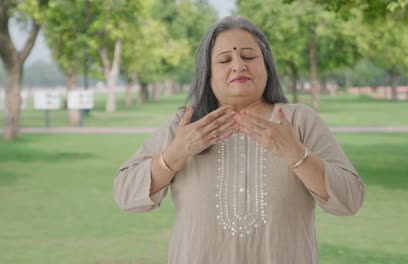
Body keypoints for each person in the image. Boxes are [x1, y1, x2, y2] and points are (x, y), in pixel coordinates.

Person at [113, 16, 365, 264]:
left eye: (248, 56)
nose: (238, 65)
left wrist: (296, 154)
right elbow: (126, 196)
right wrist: (175, 154)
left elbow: (349, 201)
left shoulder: (299, 121)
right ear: (208, 73)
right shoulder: (187, 125)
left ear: (266, 65)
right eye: (224, 59)